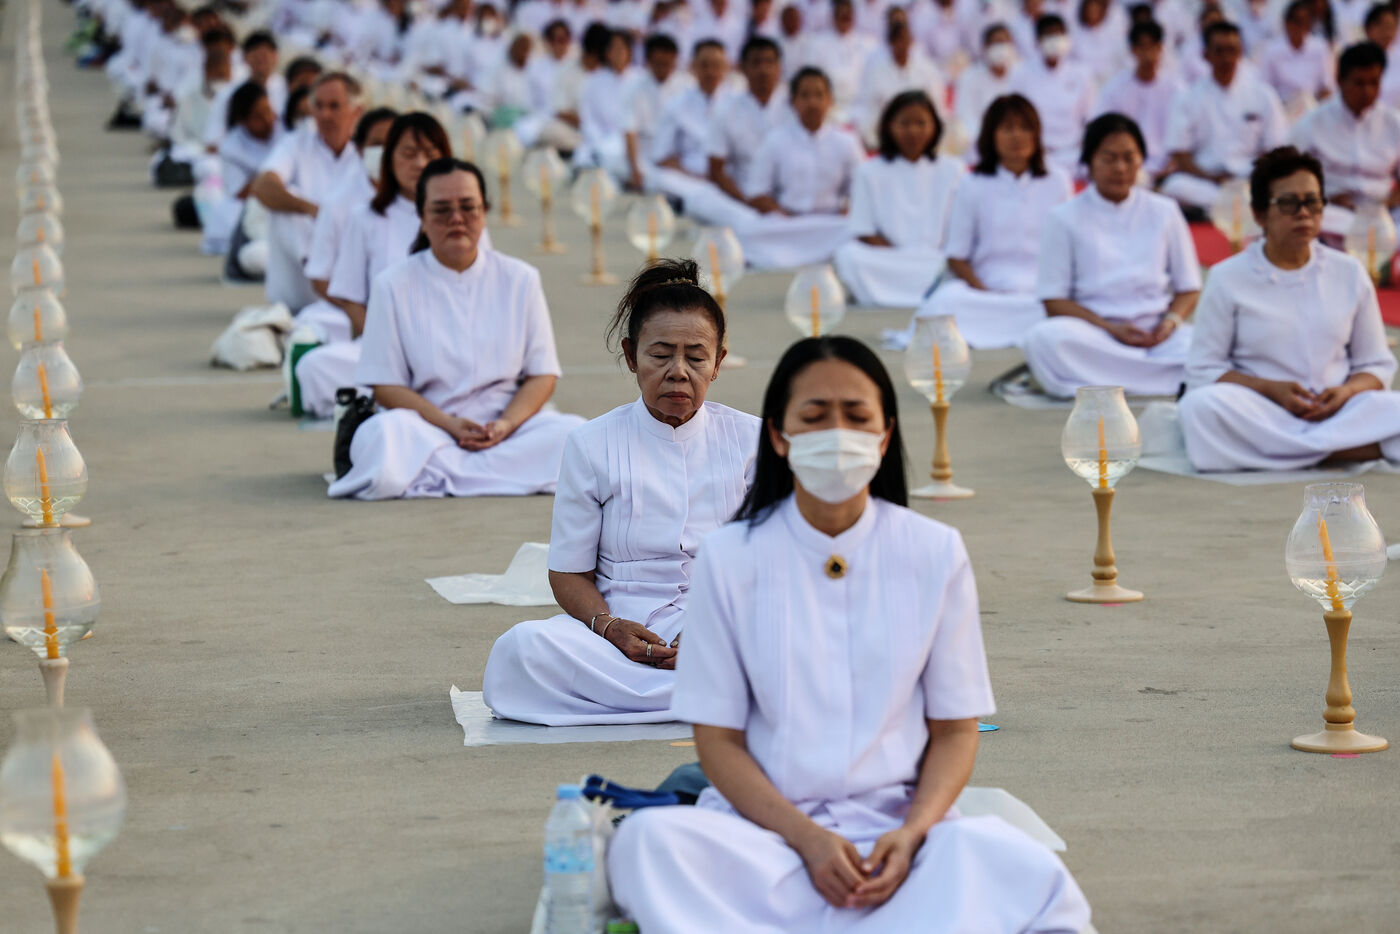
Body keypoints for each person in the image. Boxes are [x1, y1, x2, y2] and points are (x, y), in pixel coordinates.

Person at [607, 335, 1091, 933]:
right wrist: (807, 839)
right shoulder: (730, 558)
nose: (837, 434)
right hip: (767, 836)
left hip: (897, 834)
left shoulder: (934, 551)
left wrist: (912, 834)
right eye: (814, 416)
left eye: (857, 417)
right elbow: (719, 742)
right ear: (778, 437)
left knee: (1016, 864)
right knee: (648, 844)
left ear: (885, 436)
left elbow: (955, 731)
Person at [483, 260, 759, 725]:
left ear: (718, 363)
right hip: (620, 637)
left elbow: (772, 563)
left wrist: (716, 629)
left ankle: (704, 680)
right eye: (660, 355)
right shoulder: (591, 443)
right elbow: (569, 573)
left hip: (726, 623)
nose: (678, 372)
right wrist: (609, 627)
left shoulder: (754, 440)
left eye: (696, 357)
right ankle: (714, 691)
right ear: (631, 356)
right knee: (521, 651)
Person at [328, 159, 583, 500]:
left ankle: (441, 476)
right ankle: (493, 474)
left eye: (467, 207)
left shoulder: (521, 278)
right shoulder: (392, 284)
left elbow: (542, 375)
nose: (457, 219)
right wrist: (448, 424)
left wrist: (505, 425)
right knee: (382, 436)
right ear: (421, 218)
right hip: (428, 429)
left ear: (484, 212)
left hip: (508, 430)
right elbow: (385, 386)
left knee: (574, 434)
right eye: (442, 210)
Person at [1180, 146, 1400, 470]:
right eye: (1288, 203)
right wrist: (1270, 390)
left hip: (1338, 410)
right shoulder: (1227, 277)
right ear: (1259, 214)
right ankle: (1348, 450)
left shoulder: (1349, 272)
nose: (1303, 213)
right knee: (1200, 407)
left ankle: (1282, 451)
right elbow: (1203, 368)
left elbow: (1376, 363)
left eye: (1312, 202)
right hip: (1261, 408)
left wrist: (1345, 392)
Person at [1023, 112, 1203, 398]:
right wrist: (1111, 329)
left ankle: (1113, 380)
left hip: (1158, 337)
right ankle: (1162, 380)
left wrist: (1169, 324)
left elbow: (1189, 288)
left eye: (1129, 158)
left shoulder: (1164, 210)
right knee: (1043, 338)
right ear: (1089, 162)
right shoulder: (1063, 217)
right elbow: (1054, 301)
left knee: (1208, 346)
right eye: (1109, 158)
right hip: (1096, 334)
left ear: (1141, 161)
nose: (1120, 168)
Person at [296, 113, 451, 419]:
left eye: (430, 154)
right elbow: (350, 298)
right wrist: (387, 346)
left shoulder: (461, 215)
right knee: (313, 368)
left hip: (451, 348)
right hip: (388, 350)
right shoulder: (365, 216)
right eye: (409, 154)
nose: (420, 164)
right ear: (390, 160)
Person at [914, 94, 1073, 349]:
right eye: (1007, 128)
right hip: (986, 294)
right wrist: (984, 291)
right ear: (991, 135)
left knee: (1072, 311)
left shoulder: (1057, 181)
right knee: (943, 303)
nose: (1017, 136)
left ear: (1037, 134)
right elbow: (957, 256)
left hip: (1041, 294)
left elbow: (1068, 248)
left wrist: (1053, 291)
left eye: (1025, 128)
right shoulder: (971, 183)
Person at [833, 92, 965, 307]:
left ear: (935, 127)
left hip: (936, 259)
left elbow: (960, 227)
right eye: (904, 123)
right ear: (889, 126)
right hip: (890, 260)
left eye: (921, 123)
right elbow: (864, 231)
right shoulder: (868, 171)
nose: (913, 131)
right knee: (847, 255)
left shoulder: (953, 169)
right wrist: (901, 255)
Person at [250, 72, 366, 312]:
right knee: (286, 200)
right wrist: (316, 211)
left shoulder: (366, 154)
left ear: (357, 112)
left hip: (350, 277)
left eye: (334, 106)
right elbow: (262, 187)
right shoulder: (295, 143)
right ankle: (322, 277)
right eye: (318, 106)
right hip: (300, 292)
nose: (324, 115)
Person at [739, 67, 865, 268]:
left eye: (819, 95)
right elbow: (756, 192)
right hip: (788, 224)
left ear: (830, 100)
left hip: (830, 224)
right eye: (805, 95)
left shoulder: (847, 142)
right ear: (793, 102)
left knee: (856, 229)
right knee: (746, 231)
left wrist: (846, 212)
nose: (812, 102)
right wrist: (783, 215)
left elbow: (861, 191)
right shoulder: (775, 140)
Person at [293, 107, 398, 346]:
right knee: (310, 329)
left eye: (392, 143)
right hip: (348, 312)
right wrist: (363, 316)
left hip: (410, 314)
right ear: (359, 149)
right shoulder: (339, 203)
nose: (385, 151)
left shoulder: (419, 201)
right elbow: (320, 278)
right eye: (377, 144)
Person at [1159, 21, 1287, 212]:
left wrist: (1250, 178)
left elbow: (1274, 148)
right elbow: (1180, 153)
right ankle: (1238, 208)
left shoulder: (1263, 94)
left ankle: (1226, 207)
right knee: (1174, 186)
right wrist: (1211, 178)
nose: (1226, 58)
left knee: (1277, 184)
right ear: (1206, 55)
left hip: (1249, 179)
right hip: (1206, 181)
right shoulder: (1187, 97)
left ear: (1240, 52)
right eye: (1219, 51)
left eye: (1231, 50)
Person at [1289, 41, 1400, 238]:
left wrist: (1390, 201)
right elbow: (1290, 177)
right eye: (1359, 83)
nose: (1367, 91)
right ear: (1339, 80)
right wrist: (1322, 198)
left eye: (1374, 83)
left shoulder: (1394, 123)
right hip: (1332, 210)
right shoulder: (1312, 123)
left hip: (1384, 210)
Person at [1008, 13, 1097, 171]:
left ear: (1066, 38)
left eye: (1057, 34)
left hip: (1075, 153)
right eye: (1048, 35)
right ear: (1037, 41)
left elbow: (1090, 117)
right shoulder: (1020, 73)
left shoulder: (1082, 73)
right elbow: (1016, 116)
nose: (1054, 40)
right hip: (1035, 153)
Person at [1096, 20, 1181, 179]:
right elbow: (1104, 128)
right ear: (1133, 50)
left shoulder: (1175, 89)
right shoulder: (1115, 88)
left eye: (1152, 46)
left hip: (1169, 168)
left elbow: (1182, 135)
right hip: (1127, 165)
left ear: (1160, 48)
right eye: (1142, 47)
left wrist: (1172, 165)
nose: (1148, 53)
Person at [853, 19, 946, 148]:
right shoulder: (876, 68)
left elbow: (936, 102)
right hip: (885, 123)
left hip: (918, 123)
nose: (902, 44)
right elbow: (868, 102)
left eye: (906, 39)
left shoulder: (926, 68)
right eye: (899, 40)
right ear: (891, 42)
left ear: (911, 41)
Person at [1259, 0, 1336, 116]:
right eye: (1296, 22)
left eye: (1305, 22)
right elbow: (1265, 88)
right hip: (1283, 109)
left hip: (1313, 108)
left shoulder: (1320, 48)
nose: (1300, 27)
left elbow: (1328, 87)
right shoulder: (1272, 51)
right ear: (1286, 23)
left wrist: (1313, 104)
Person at [954, 24, 1017, 144]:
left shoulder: (1021, 74)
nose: (1001, 48)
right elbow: (965, 116)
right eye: (996, 43)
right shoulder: (970, 77)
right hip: (981, 141)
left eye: (1004, 42)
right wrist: (987, 140)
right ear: (985, 47)